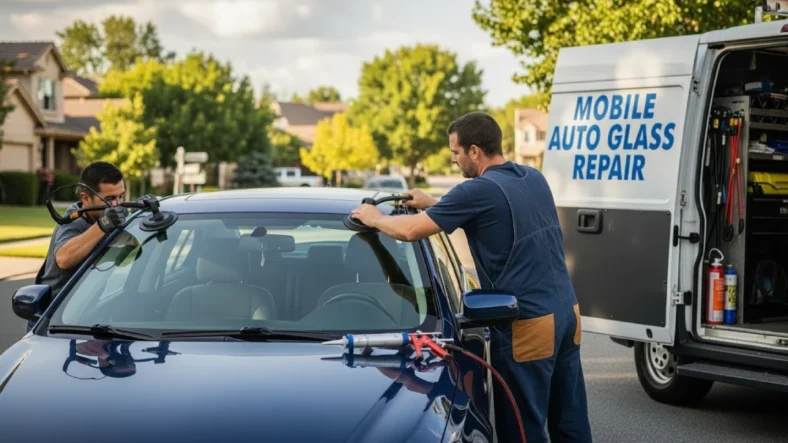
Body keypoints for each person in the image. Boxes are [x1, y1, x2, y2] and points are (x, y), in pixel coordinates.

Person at [350, 111, 592, 443]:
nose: (453, 159)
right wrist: (435, 204)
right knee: (570, 420)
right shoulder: (533, 177)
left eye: (456, 152)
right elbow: (492, 213)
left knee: (524, 429)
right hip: (568, 316)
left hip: (530, 325)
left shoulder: (477, 191)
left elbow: (410, 231)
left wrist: (374, 218)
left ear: (474, 151)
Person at [28, 161, 128, 332]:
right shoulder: (74, 222)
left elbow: (134, 252)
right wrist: (103, 225)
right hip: (53, 320)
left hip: (86, 314)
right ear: (86, 199)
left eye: (121, 197)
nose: (117, 205)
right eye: (110, 199)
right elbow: (63, 258)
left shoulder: (107, 217)